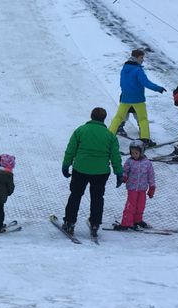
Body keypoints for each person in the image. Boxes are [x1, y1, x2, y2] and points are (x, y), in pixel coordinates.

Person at [60, 107, 123, 239]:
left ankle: (70, 222)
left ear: (91, 116)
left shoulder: (81, 130)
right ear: (104, 119)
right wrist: (118, 172)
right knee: (97, 198)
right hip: (101, 172)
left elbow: (71, 149)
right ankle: (95, 223)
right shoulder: (109, 135)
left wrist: (66, 165)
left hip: (81, 169)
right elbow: (115, 156)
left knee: (75, 195)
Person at [107, 49, 166, 147]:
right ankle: (145, 140)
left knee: (118, 117)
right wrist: (158, 88)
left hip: (125, 98)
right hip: (138, 99)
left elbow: (122, 83)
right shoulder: (138, 70)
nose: (143, 60)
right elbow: (146, 83)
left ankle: (108, 137)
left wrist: (126, 93)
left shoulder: (124, 69)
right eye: (141, 58)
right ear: (136, 58)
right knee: (142, 119)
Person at [114, 140, 156, 230]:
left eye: (136, 153)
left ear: (142, 152)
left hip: (142, 189)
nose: (134, 155)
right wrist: (124, 177)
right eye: (132, 153)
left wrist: (152, 187)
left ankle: (137, 220)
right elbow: (125, 171)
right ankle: (126, 222)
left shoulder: (147, 163)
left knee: (141, 205)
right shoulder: (129, 162)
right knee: (130, 205)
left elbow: (151, 176)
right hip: (132, 188)